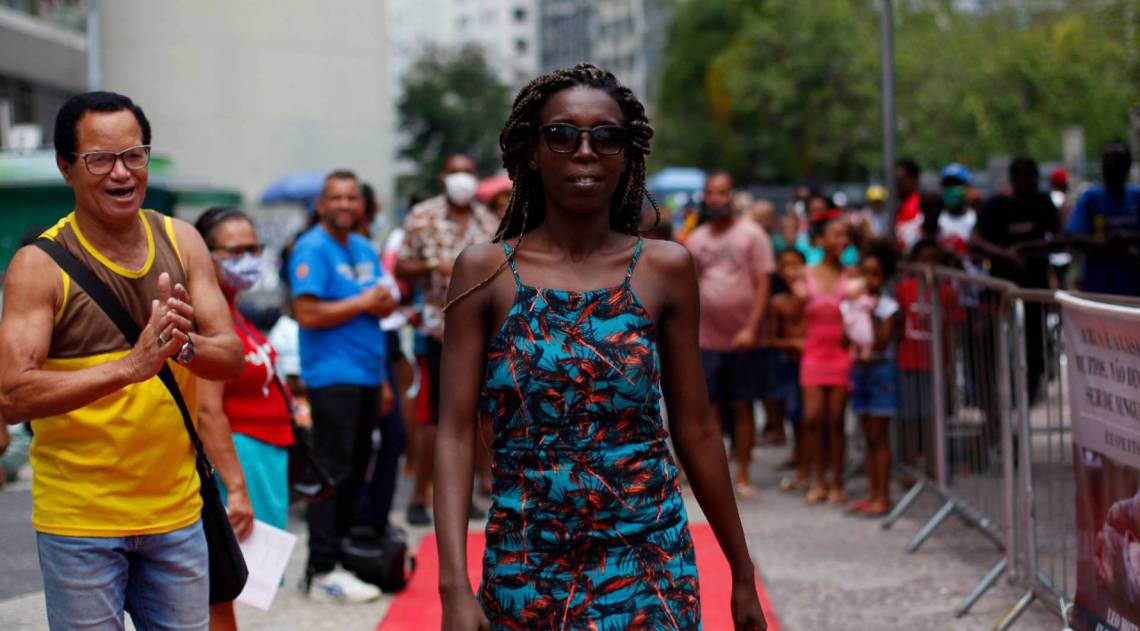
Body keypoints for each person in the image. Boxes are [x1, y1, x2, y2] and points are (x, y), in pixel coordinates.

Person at [434, 64, 766, 630]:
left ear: (627, 153)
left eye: (606, 136)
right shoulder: (485, 272)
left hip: (648, 557)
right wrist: (452, 586)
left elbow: (696, 428)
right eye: (562, 134)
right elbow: (456, 431)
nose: (585, 151)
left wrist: (742, 573)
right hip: (528, 559)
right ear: (532, 153)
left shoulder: (666, 268)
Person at [0, 91, 245, 629]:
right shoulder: (37, 267)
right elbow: (13, 395)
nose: (122, 173)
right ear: (67, 167)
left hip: (177, 515)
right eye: (100, 159)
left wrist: (184, 345)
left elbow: (230, 355)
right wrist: (129, 367)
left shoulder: (181, 241)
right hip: (79, 522)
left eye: (134, 156)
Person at [289, 169, 397, 602]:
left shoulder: (364, 247)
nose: (345, 205)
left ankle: (345, 558)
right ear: (321, 204)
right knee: (331, 474)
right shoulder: (311, 248)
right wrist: (365, 302)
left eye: (352, 198)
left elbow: (381, 301)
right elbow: (307, 313)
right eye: (336, 198)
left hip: (368, 374)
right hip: (332, 376)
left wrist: (385, 380)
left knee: (354, 471)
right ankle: (322, 570)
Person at [194, 207, 293, 630]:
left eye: (254, 248)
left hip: (262, 458)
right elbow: (206, 408)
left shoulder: (232, 311)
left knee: (231, 588)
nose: (248, 258)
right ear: (204, 255)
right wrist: (235, 488)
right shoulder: (207, 317)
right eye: (234, 251)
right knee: (219, 589)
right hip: (236, 459)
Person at [396, 153, 499, 526]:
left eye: (468, 172)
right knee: (437, 419)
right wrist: (429, 266)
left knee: (475, 417)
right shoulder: (423, 216)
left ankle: (466, 493)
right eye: (455, 172)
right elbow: (400, 266)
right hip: (438, 333)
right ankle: (421, 497)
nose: (462, 179)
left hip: (485, 335)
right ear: (443, 177)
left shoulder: (489, 220)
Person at [686, 171, 774, 498]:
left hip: (744, 338)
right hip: (706, 340)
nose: (715, 199)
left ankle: (744, 475)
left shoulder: (753, 235)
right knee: (709, 412)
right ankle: (712, 478)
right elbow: (689, 286)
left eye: (721, 193)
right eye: (711, 193)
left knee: (744, 406)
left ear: (732, 195)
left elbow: (764, 282)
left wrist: (752, 327)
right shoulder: (697, 239)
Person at [973, 156, 1060, 401]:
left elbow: (1059, 236)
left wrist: (1028, 249)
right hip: (1001, 290)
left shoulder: (1043, 203)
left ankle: (1030, 390)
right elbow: (975, 240)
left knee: (1035, 342)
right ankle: (995, 395)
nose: (1028, 180)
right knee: (991, 340)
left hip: (1035, 290)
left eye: (1032, 174)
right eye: (1023, 174)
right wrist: (1006, 255)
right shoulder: (996, 205)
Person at [895, 239, 962, 476]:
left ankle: (936, 464)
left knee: (933, 416)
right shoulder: (903, 289)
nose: (929, 265)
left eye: (934, 260)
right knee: (911, 416)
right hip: (909, 361)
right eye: (924, 260)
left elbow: (952, 329)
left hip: (935, 363)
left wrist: (950, 363)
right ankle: (911, 464)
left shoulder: (947, 292)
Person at [845, 240, 900, 517]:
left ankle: (883, 496)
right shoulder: (853, 305)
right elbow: (846, 339)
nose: (869, 280)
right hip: (861, 372)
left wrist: (870, 312)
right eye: (864, 274)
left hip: (881, 371)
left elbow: (881, 342)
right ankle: (872, 493)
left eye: (875, 274)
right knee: (868, 436)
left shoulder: (888, 307)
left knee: (879, 436)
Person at [1066, 141, 1140, 297]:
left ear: (1127, 165)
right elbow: (1073, 236)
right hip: (1098, 290)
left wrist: (1130, 239)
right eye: (1107, 160)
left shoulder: (1136, 196)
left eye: (1117, 160)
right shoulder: (1090, 198)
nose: (1111, 165)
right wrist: (1110, 245)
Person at [767, 248, 808, 491]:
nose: (791, 272)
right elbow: (773, 338)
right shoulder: (778, 302)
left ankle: (813, 467)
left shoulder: (812, 296)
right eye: (785, 267)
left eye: (796, 266)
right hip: (790, 364)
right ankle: (802, 465)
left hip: (815, 363)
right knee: (796, 416)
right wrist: (791, 343)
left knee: (814, 418)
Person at [937, 163, 976, 257]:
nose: (952, 188)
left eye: (957, 184)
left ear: (967, 187)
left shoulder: (976, 219)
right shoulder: (936, 220)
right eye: (948, 184)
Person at [895, 158, 923, 250]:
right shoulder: (895, 205)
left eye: (901, 179)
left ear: (914, 178)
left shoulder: (921, 204)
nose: (897, 183)